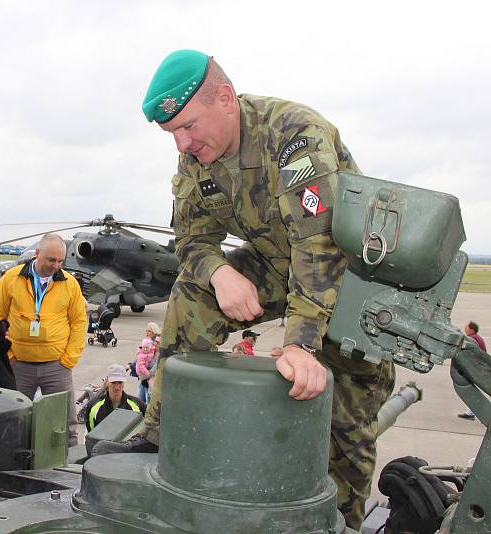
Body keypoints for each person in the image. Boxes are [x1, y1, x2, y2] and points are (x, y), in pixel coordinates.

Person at [92, 49, 395, 530]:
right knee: (192, 292)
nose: (182, 144)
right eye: (172, 134)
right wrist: (218, 272)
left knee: (346, 425)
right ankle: (159, 432)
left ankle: (342, 521)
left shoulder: (292, 133)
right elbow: (190, 238)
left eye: (188, 127)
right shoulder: (197, 161)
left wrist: (299, 344)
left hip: (352, 286)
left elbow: (321, 245)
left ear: (226, 99)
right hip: (278, 265)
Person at [0, 233, 88, 446]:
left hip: (56, 366)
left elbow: (79, 322)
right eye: (51, 260)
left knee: (65, 422)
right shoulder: (11, 278)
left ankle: (68, 462)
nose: (56, 266)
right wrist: (9, 354)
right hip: (19, 365)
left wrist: (68, 359)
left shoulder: (70, 284)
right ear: (37, 254)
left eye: (60, 261)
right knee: (14, 417)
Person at [83, 364, 147, 431]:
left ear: (124, 383)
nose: (117, 387)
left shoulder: (139, 406)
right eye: (113, 383)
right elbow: (91, 435)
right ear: (107, 382)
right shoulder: (93, 407)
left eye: (120, 383)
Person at [457, 321, 485, 420]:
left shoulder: (472, 339)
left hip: (474, 368)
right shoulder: (478, 338)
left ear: (471, 329)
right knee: (471, 388)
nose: (465, 329)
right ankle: (470, 412)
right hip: (478, 368)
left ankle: (470, 413)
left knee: (470, 389)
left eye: (466, 328)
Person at [135, 322, 161, 402]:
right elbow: (140, 358)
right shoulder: (151, 350)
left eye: (157, 342)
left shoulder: (159, 356)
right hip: (144, 383)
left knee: (146, 405)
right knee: (139, 403)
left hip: (149, 385)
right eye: (155, 342)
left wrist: (141, 375)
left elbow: (152, 372)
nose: (155, 344)